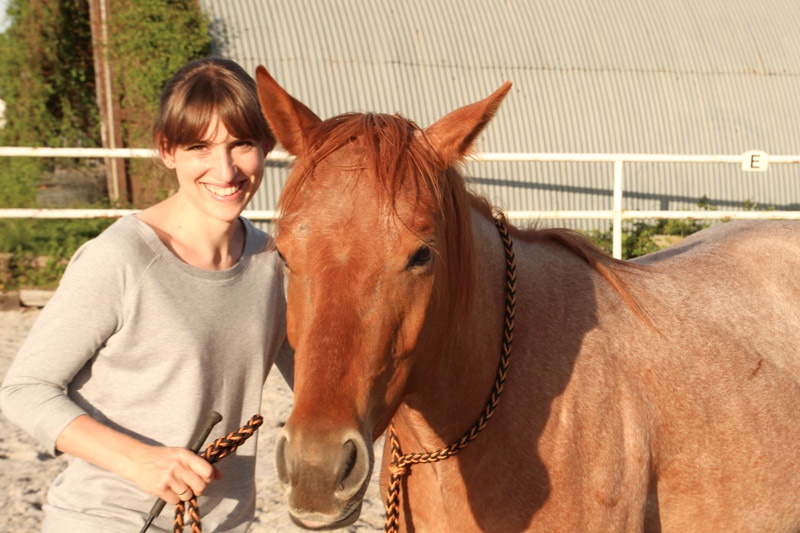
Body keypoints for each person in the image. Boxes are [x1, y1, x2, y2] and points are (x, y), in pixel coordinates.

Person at [0, 57, 293, 532]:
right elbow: (25, 390)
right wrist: (138, 460)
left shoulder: (274, 267)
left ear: (266, 145)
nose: (225, 170)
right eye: (200, 146)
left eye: (240, 144)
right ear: (166, 150)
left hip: (221, 524)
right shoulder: (120, 259)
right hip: (107, 519)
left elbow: (330, 382)